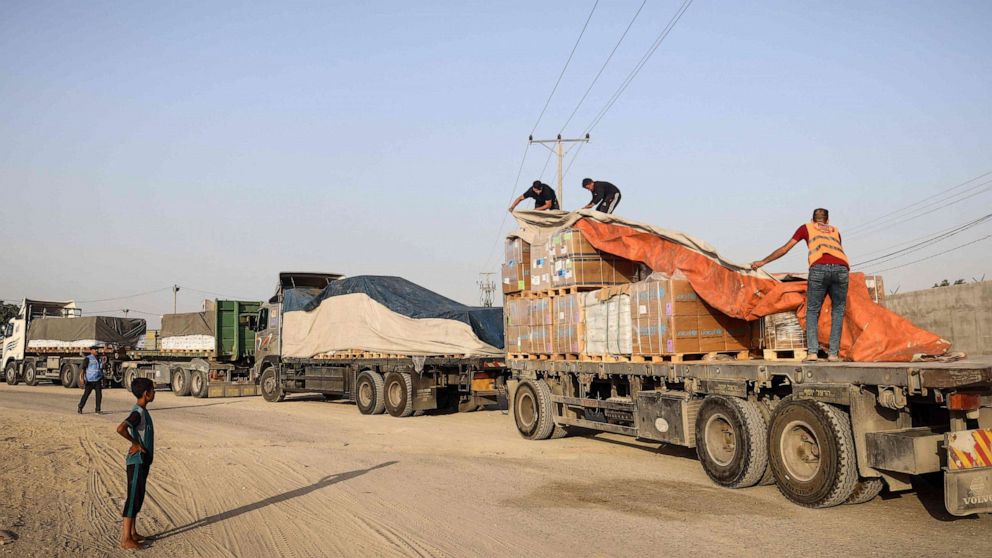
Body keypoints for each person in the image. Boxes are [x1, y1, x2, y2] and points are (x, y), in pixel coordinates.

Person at [750, 208, 849, 362]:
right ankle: (833, 354)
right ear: (827, 221)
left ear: (812, 219)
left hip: (819, 268)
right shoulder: (835, 231)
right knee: (838, 310)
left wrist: (763, 262)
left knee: (812, 310)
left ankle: (813, 353)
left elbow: (785, 248)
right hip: (842, 268)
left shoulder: (806, 228)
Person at [116, 377, 156, 550]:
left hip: (143, 462)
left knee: (138, 497)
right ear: (146, 394)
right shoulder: (138, 412)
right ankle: (126, 539)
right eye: (153, 390)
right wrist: (135, 443)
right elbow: (121, 428)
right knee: (132, 499)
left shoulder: (142, 410)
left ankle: (132, 533)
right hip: (137, 462)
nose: (155, 393)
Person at [77, 346, 104, 414]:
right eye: (95, 350)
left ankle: (98, 409)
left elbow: (100, 369)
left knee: (99, 395)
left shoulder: (99, 359)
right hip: (90, 380)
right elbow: (83, 369)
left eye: (97, 350)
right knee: (86, 395)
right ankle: (80, 407)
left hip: (97, 379)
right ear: (91, 351)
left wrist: (103, 378)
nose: (97, 351)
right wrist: (82, 378)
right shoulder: (88, 358)